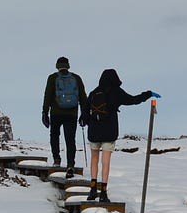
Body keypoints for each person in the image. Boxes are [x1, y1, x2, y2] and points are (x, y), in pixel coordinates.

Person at [79, 68, 156, 204]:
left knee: (94, 159)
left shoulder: (94, 93)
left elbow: (85, 112)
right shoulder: (116, 92)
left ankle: (92, 190)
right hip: (109, 132)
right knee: (106, 162)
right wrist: (148, 94)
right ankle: (103, 192)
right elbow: (133, 100)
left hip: (94, 132)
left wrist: (84, 120)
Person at [41, 57, 87, 176]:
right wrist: (84, 113)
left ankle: (56, 159)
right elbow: (83, 96)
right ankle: (70, 164)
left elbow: (48, 95)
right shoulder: (76, 78)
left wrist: (44, 112)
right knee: (70, 139)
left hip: (56, 113)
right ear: (68, 66)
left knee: (54, 135)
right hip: (72, 114)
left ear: (57, 66)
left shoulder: (52, 78)